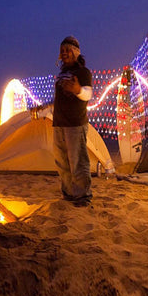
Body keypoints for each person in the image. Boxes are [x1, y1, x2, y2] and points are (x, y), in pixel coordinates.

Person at [51, 36, 94, 206]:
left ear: (76, 52)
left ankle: (83, 196)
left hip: (75, 124)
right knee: (62, 163)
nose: (64, 53)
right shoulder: (61, 74)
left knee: (78, 162)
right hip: (59, 123)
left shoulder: (83, 72)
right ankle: (69, 194)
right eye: (62, 50)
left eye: (68, 50)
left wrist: (78, 90)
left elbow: (88, 94)